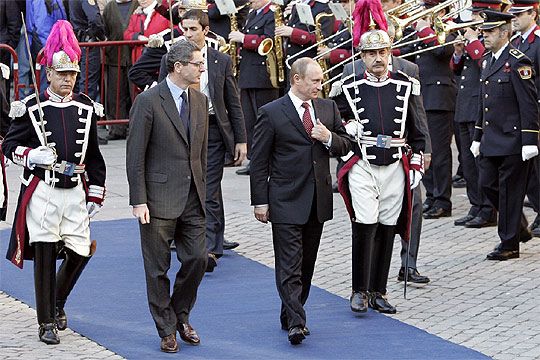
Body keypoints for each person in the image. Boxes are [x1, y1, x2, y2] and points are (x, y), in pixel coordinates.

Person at [2, 20, 106, 345]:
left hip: (74, 189)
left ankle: (57, 301)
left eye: (72, 74)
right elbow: (8, 146)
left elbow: (94, 153)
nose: (67, 80)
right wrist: (32, 155)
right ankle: (46, 320)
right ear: (48, 74)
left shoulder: (87, 107)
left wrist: (96, 192)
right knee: (46, 251)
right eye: (61, 74)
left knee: (80, 250)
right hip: (42, 190)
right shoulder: (31, 107)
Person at [250, 57, 351, 345]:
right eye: (315, 81)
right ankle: (297, 322)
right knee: (289, 264)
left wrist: (329, 137)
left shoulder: (327, 108)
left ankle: (289, 312)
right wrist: (260, 201)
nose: (320, 85)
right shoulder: (271, 112)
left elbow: (346, 144)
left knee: (307, 265)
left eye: (321, 81)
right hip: (284, 200)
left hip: (317, 201)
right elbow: (259, 162)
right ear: (297, 80)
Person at [336, 1, 427, 314]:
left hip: (396, 164)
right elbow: (339, 124)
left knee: (388, 224)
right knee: (365, 222)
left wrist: (417, 162)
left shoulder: (406, 85)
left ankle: (379, 290)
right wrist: (348, 126)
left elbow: (417, 131)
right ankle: (358, 289)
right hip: (362, 162)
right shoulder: (346, 86)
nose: (378, 59)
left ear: (390, 53)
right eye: (372, 54)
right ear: (362, 57)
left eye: (383, 52)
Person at [126, 39, 209, 353]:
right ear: (178, 66)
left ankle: (180, 314)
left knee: (199, 259)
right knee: (157, 268)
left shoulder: (199, 101)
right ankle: (166, 328)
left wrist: (205, 192)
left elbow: (199, 154)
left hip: (193, 198)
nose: (202, 68)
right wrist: (139, 199)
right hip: (158, 199)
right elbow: (135, 156)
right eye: (197, 63)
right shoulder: (148, 101)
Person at [177, 9, 247, 271]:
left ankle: (209, 248)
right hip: (184, 129)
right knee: (192, 184)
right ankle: (193, 238)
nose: (187, 34)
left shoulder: (220, 60)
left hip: (214, 128)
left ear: (206, 31)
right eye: (184, 29)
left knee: (208, 184)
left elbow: (233, 102)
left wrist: (241, 139)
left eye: (193, 29)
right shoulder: (175, 59)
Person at [470, 10, 539, 260]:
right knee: (486, 184)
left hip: (513, 140)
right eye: (484, 32)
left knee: (509, 191)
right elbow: (483, 102)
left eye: (489, 32)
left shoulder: (518, 60)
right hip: (492, 138)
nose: (484, 36)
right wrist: (477, 136)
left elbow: (529, 103)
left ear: (504, 32)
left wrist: (530, 139)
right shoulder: (488, 60)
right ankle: (518, 226)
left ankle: (509, 244)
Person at [400, 0, 457, 219]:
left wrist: (424, 28)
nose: (424, 12)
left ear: (440, 10)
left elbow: (443, 51)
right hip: (422, 95)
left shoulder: (450, 27)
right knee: (423, 148)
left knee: (440, 153)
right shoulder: (421, 32)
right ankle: (432, 196)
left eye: (429, 8)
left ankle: (443, 200)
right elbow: (405, 51)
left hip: (440, 97)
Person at [451, 0, 499, 229]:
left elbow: (484, 63)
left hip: (478, 106)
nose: (474, 19)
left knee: (481, 162)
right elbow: (458, 69)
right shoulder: (475, 40)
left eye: (478, 14)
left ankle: (488, 209)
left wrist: (471, 42)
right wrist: (459, 53)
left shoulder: (491, 39)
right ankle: (475, 204)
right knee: (467, 161)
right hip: (463, 105)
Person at [229, 0, 279, 176]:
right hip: (249, 72)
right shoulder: (252, 13)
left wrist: (243, 38)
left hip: (263, 74)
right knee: (250, 120)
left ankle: (267, 161)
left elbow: (269, 40)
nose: (251, 1)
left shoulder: (272, 13)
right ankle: (254, 160)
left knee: (263, 121)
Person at [508, 0, 540, 238]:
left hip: (536, 112)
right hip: (521, 115)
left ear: (533, 12)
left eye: (520, 14)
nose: (515, 18)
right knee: (529, 174)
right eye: (514, 14)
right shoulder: (517, 42)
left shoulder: (537, 42)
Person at [102, 0, 137, 141]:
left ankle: (136, 128)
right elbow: (105, 30)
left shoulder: (138, 5)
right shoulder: (110, 7)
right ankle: (117, 129)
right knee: (115, 95)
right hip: (114, 58)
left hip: (135, 57)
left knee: (135, 93)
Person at [69, 0, 106, 101]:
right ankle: (86, 112)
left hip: (77, 42)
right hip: (88, 44)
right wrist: (102, 37)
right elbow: (94, 20)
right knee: (87, 84)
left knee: (77, 82)